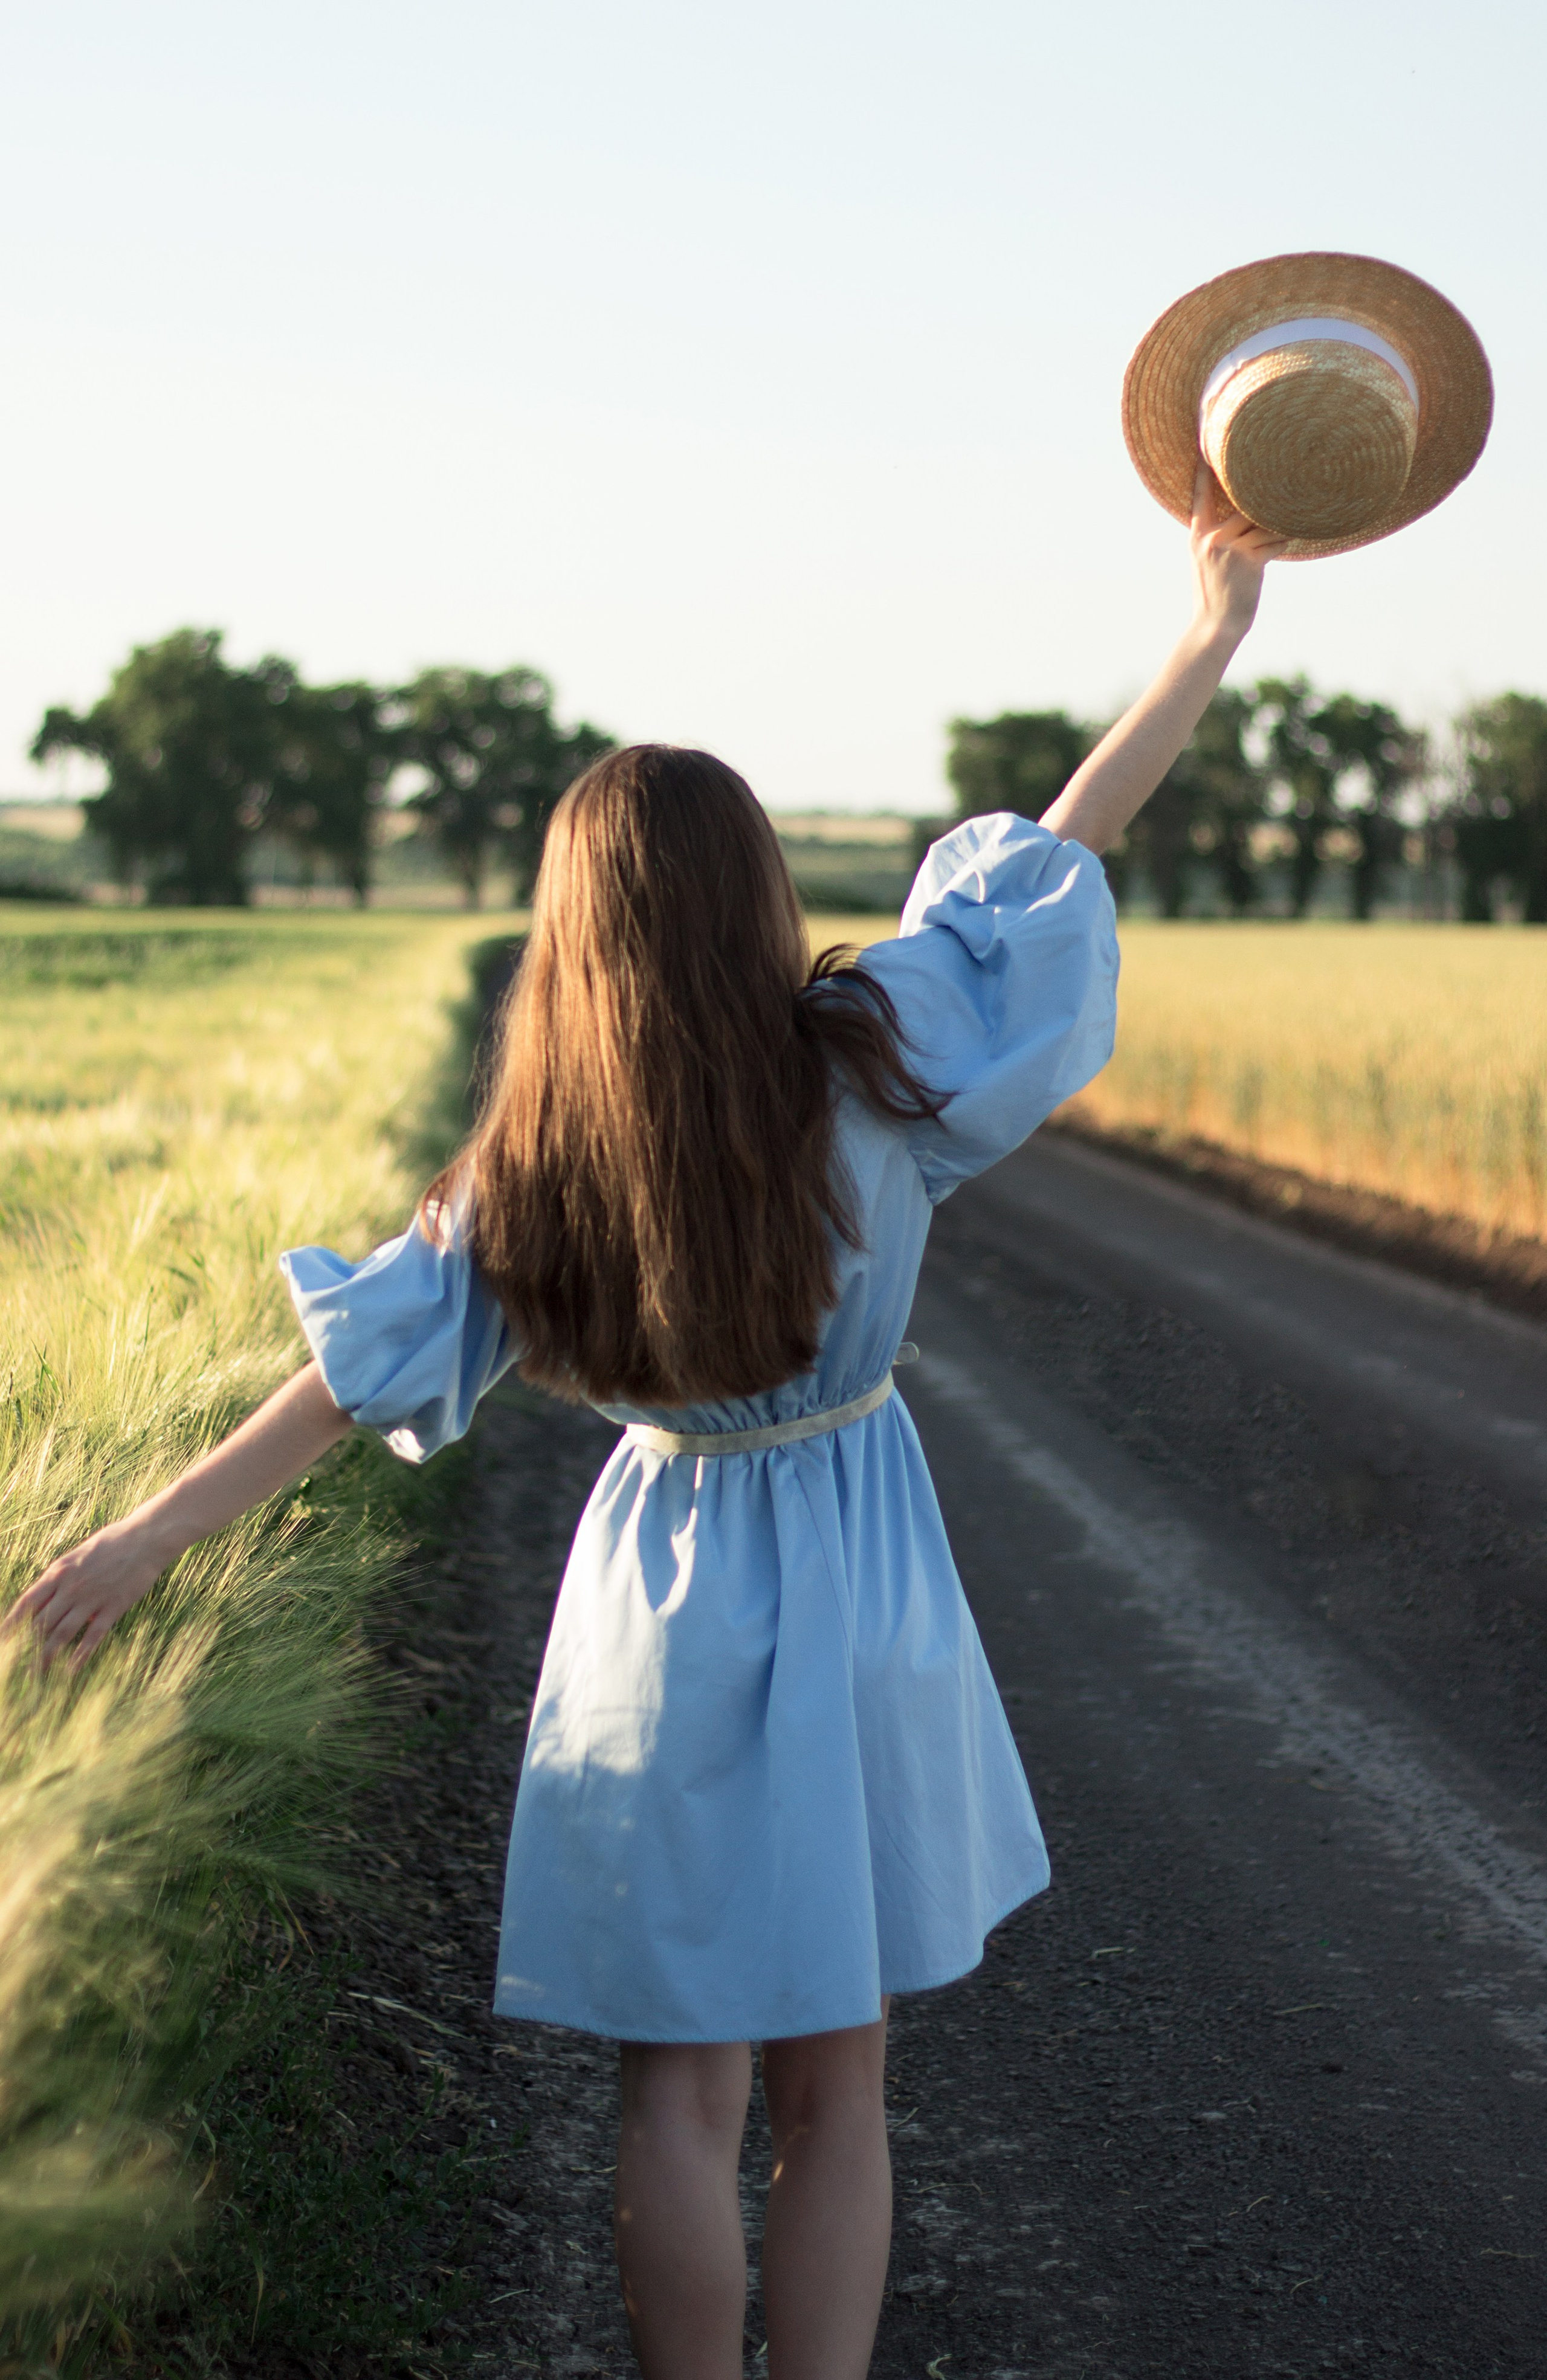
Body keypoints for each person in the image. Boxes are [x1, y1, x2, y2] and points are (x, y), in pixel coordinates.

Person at [7, 469, 1281, 2379]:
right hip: (858, 1564)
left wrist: (138, 1541)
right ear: (758, 893)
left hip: (659, 1594)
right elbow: (1056, 854)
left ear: (571, 935)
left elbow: (341, 1387)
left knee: (679, 2093)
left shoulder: (538, 1163)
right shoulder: (878, 1050)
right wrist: (1207, 634)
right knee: (836, 2089)